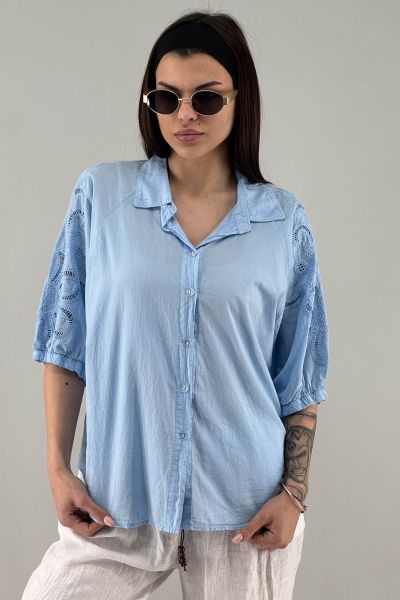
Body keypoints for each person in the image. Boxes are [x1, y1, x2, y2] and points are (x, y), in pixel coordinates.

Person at [22, 9, 329, 600]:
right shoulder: (101, 197)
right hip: (117, 502)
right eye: (167, 99)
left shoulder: (282, 221)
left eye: (206, 99)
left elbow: (300, 377)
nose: (185, 115)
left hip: (245, 511)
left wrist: (293, 493)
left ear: (239, 101)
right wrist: (59, 470)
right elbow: (65, 344)